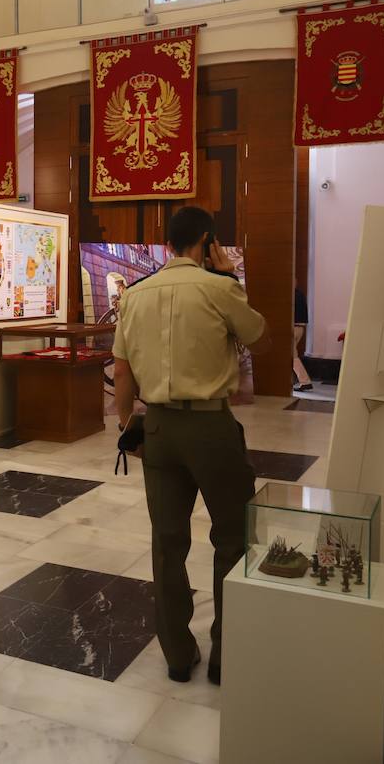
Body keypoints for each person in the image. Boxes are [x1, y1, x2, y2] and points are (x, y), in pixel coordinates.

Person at [111, 206, 269, 687]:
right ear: (207, 242)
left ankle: (178, 655)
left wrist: (128, 426)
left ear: (166, 246)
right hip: (210, 430)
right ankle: (225, 653)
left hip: (157, 426)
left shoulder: (134, 296)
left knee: (167, 544)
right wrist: (232, 276)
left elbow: (121, 371)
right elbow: (257, 335)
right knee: (232, 538)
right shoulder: (221, 289)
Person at [293, 286, 313, 391]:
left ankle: (305, 381)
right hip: (301, 328)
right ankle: (302, 381)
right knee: (291, 355)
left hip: (292, 328)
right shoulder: (300, 293)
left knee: (292, 356)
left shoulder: (290, 295)